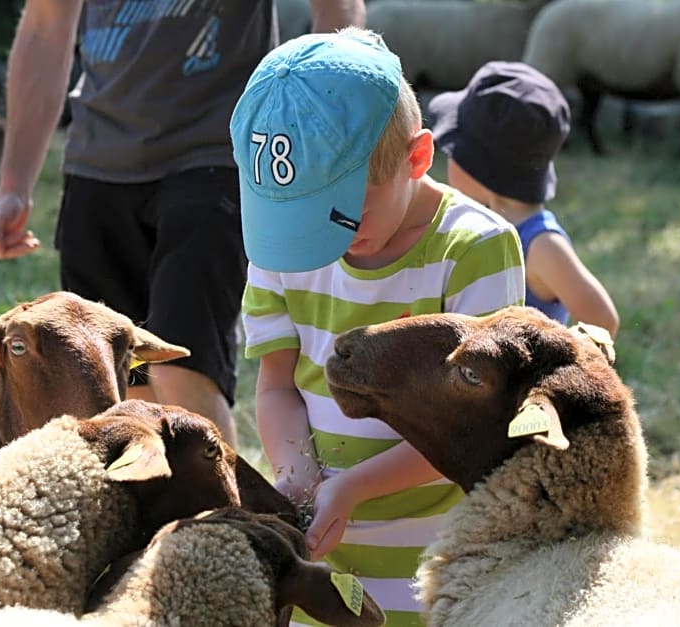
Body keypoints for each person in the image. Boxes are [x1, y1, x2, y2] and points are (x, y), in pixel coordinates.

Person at [0, 1, 366, 447]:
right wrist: (13, 185)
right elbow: (46, 24)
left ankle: (220, 516)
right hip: (98, 169)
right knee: (121, 379)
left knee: (182, 369)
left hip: (215, 158)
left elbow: (336, 6)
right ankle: (144, 515)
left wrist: (316, 127)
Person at [231, 27, 525, 626]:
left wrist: (356, 486)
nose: (322, 241)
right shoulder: (286, 246)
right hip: (326, 554)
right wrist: (297, 476)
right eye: (300, 220)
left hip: (438, 558)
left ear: (417, 158)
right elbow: (278, 384)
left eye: (344, 215)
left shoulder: (476, 248)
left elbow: (478, 421)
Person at [428, 61, 620, 337]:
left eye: (452, 149)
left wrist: (555, 367)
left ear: (479, 166)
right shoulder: (471, 226)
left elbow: (602, 319)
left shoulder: (540, 245)